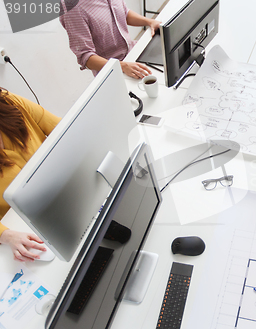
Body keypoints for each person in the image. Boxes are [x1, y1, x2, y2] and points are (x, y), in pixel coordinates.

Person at [0, 88, 61, 262]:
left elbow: (63, 130)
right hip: (23, 225)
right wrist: (6, 235)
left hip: (60, 192)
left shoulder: (9, 102)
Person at [59, 0, 161, 79]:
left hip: (134, 53)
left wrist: (150, 22)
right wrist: (122, 66)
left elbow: (124, 13)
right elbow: (85, 56)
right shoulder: (71, 7)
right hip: (113, 72)